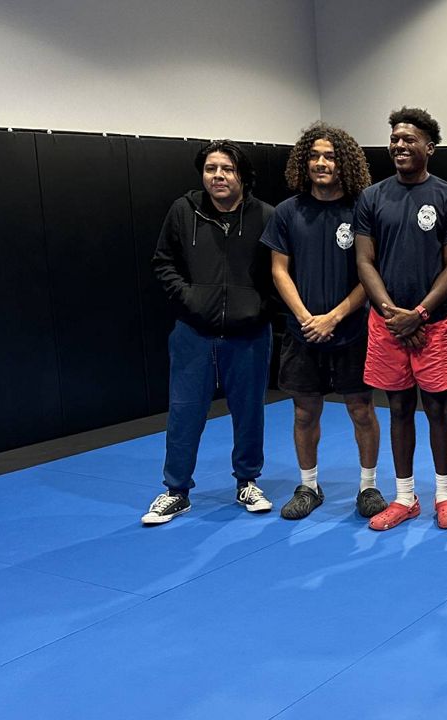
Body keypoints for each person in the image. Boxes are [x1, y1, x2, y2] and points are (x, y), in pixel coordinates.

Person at [143, 140, 276, 525]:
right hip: (193, 331)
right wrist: (189, 300)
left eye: (227, 169)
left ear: (242, 176)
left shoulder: (265, 216)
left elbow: (279, 272)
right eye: (211, 169)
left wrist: (258, 309)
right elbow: (163, 261)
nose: (218, 175)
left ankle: (247, 482)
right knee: (185, 413)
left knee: (249, 411)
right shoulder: (184, 212)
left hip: (249, 334)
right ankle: (176, 491)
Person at [261, 122, 383, 522]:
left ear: (343, 161)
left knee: (361, 410)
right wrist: (305, 317)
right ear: (303, 162)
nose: (321, 162)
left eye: (329, 156)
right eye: (314, 156)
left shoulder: (361, 209)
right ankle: (309, 485)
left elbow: (369, 272)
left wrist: (333, 316)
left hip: (351, 330)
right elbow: (279, 271)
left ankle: (368, 487)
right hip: (302, 332)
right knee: (302, 413)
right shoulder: (286, 212)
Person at [354, 107, 447, 531]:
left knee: (437, 408)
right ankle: (404, 497)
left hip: (434, 323)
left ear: (429, 148)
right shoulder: (372, 197)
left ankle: (444, 494)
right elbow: (364, 262)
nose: (400, 146)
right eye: (395, 139)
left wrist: (419, 314)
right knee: (398, 408)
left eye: (409, 140)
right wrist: (390, 313)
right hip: (386, 324)